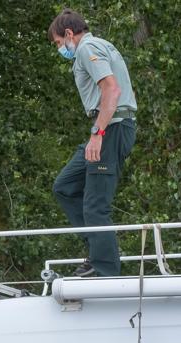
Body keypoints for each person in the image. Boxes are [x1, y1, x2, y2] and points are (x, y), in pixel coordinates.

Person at [49, 8, 138, 277]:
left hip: (111, 128)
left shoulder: (88, 48)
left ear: (68, 34)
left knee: (95, 204)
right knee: (65, 186)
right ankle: (97, 250)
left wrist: (97, 135)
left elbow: (111, 89)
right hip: (109, 126)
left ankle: (104, 270)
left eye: (58, 43)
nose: (60, 49)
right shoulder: (98, 46)